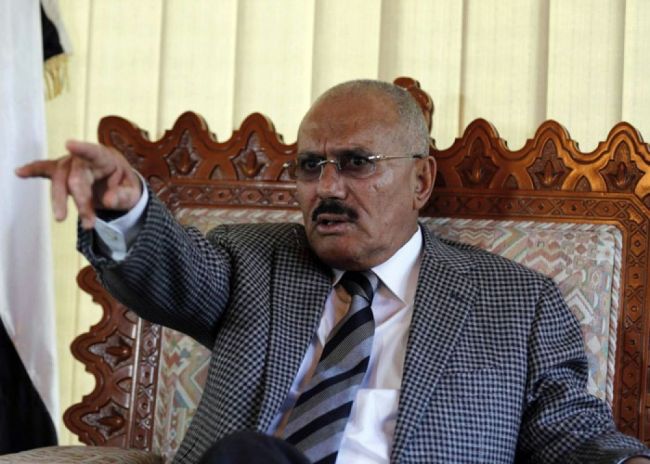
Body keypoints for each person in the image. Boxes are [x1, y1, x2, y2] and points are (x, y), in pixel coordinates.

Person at [16, 80, 650, 464]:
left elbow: (569, 433)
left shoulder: (516, 301)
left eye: (356, 163)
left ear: (420, 180)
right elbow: (170, 271)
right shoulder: (253, 261)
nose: (327, 188)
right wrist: (124, 209)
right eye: (310, 166)